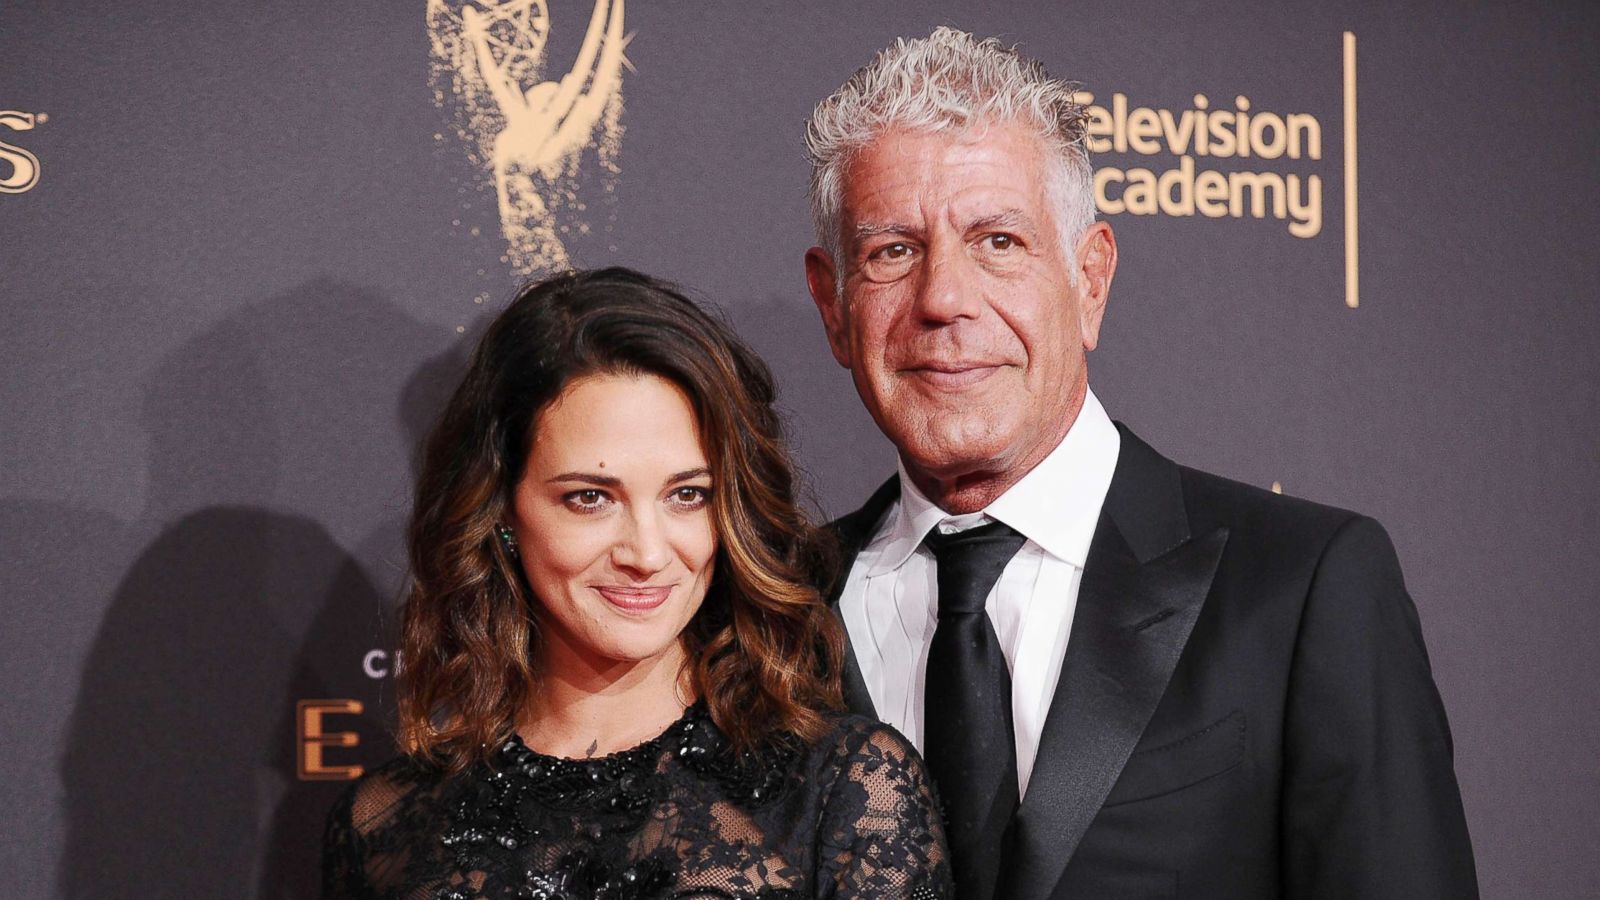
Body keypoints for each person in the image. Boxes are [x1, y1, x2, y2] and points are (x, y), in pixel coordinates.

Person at [801, 28, 1478, 900]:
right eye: (893, 250)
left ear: (1091, 281)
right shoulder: (769, 609)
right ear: (832, 304)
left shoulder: (1303, 588)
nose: (944, 299)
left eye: (998, 241)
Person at [321, 269, 951, 899]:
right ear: (503, 512)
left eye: (687, 495)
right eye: (591, 498)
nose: (648, 554)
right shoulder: (384, 826)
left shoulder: (842, 789)